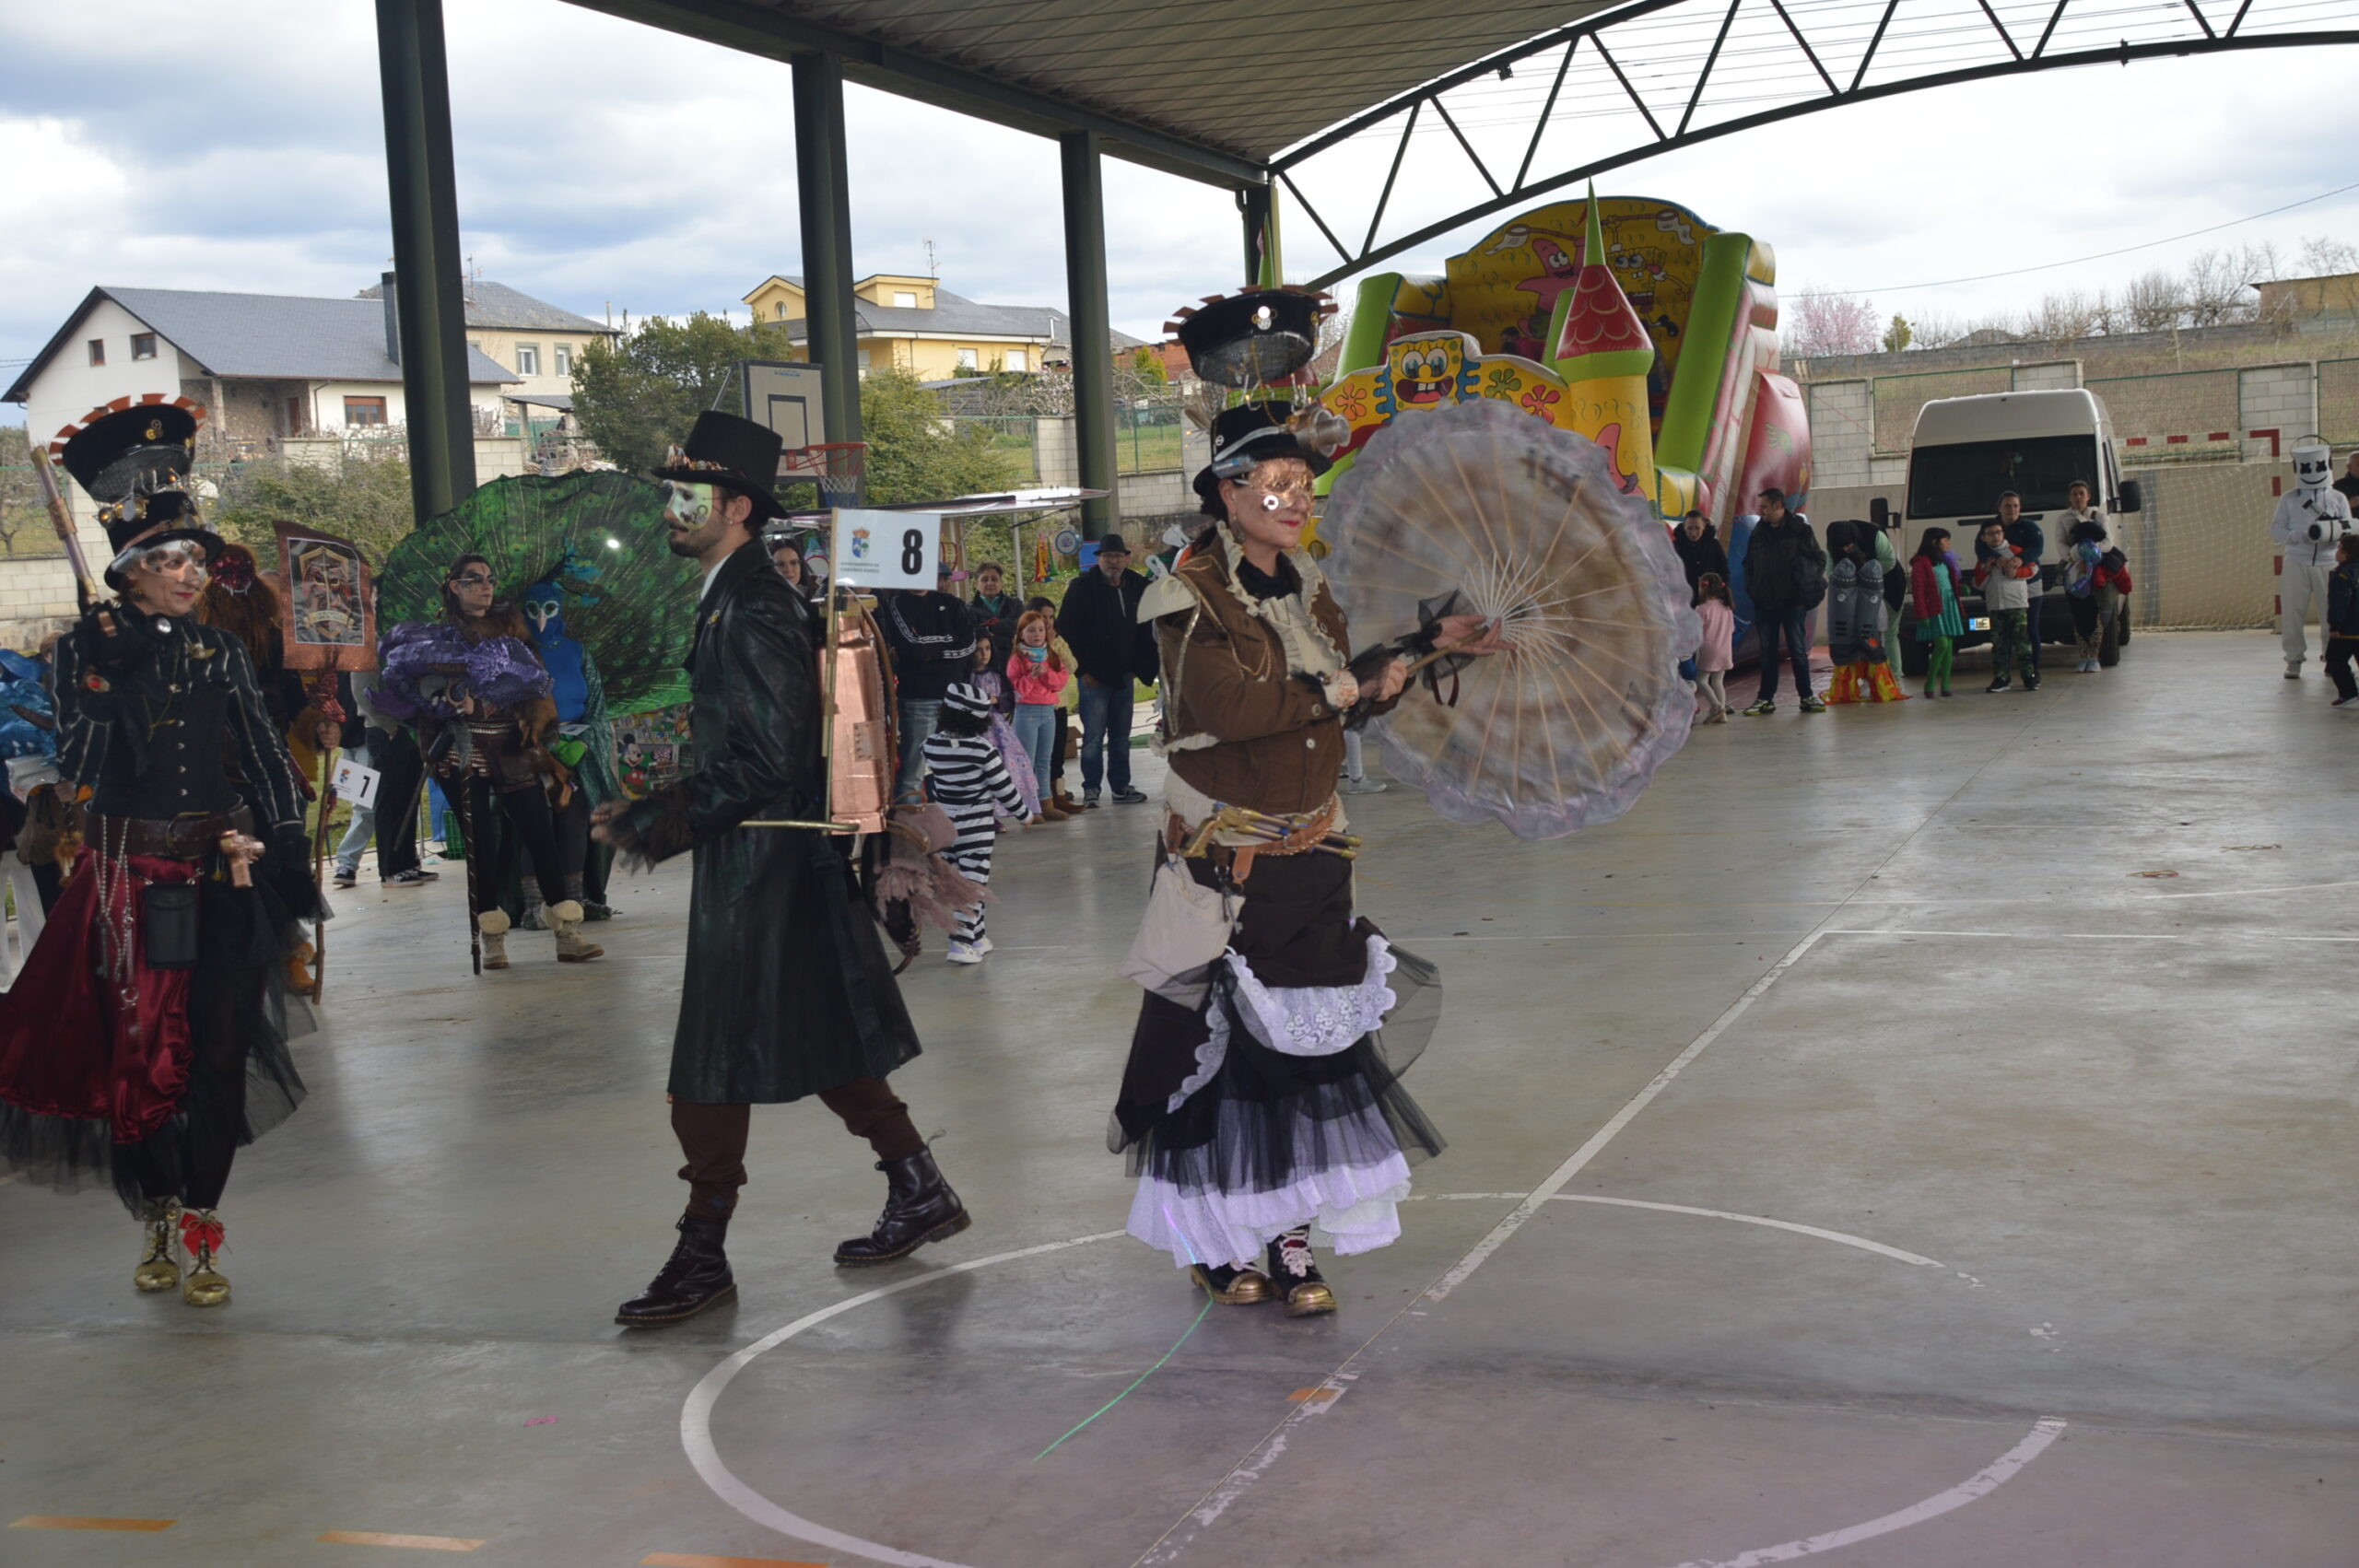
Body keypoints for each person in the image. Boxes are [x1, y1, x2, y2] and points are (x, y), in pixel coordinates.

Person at [1115, 401, 1496, 1316]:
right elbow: (1235, 709)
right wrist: (1346, 685)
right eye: (1276, 484)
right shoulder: (1186, 597)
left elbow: (1336, 696)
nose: (1295, 501)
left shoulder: (1307, 588)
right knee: (1215, 1071)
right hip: (1224, 868)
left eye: (1303, 486)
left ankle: (1288, 1242)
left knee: (1305, 1068)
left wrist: (1410, 655)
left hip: (1313, 862)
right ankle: (1215, 1244)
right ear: (1226, 491)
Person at [598, 412, 966, 1328]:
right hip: (771, 857)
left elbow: (763, 760)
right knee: (834, 1040)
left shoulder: (754, 602)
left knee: (710, 1063)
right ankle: (917, 1185)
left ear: (733, 505)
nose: (669, 507)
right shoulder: (737, 592)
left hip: (759, 864)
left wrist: (654, 820)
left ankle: (702, 1247)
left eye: (683, 492)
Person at [0, 399, 317, 1308]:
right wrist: (103, 685)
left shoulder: (220, 651)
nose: (191, 573)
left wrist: (285, 844)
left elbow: (260, 754)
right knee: (143, 1059)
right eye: (171, 561)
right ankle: (154, 1209)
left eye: (196, 559)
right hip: (126, 887)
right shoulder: (84, 654)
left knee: (218, 1054)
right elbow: (87, 774)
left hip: (222, 875)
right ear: (130, 572)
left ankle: (204, 1223)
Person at [380, 557, 602, 968]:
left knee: (540, 833)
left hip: (512, 746)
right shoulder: (432, 636)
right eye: (473, 580)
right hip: (460, 750)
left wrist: (493, 708)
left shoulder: (513, 628)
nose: (485, 587)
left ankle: (566, 931)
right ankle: (493, 935)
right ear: (453, 587)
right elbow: (416, 695)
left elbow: (535, 687)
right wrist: (442, 702)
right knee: (480, 844)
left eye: (489, 580)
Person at [520, 579, 619, 923]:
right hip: (529, 752)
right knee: (536, 822)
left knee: (576, 820)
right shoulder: (515, 653)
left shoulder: (578, 652)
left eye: (550, 610)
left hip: (575, 752)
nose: (542, 619)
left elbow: (596, 705)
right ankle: (534, 905)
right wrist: (542, 743)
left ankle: (574, 901)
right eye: (534, 610)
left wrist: (584, 742)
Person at [921, 683, 1029, 964]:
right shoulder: (983, 751)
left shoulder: (930, 745)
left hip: (944, 826)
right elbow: (1004, 789)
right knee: (972, 885)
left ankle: (977, 937)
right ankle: (960, 942)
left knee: (958, 882)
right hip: (976, 828)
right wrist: (1025, 814)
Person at [1056, 533, 1155, 805]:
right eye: (1107, 557)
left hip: (1124, 675)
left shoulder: (1137, 585)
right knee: (1093, 737)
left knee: (1121, 737)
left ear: (1126, 558)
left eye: (1117, 556)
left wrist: (1140, 667)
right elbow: (1067, 630)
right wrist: (1082, 671)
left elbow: (1149, 628)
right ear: (1098, 559)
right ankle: (1091, 790)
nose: (1112, 561)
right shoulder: (1082, 587)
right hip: (1094, 678)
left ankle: (1121, 787)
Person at [879, 563, 975, 802]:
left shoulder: (951, 603)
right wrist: (948, 640)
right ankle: (908, 833)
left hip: (954, 698)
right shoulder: (897, 604)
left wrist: (934, 650)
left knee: (955, 769)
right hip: (919, 699)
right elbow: (910, 646)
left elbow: (969, 643)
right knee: (914, 770)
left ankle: (953, 827)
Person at [2270, 441, 2353, 678]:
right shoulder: (2289, 499)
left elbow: (2348, 528)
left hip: (2329, 563)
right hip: (2297, 562)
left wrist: (2334, 538)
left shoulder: (2338, 497)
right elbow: (2276, 530)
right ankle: (2294, 659)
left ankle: (2332, 659)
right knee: (2293, 612)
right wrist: (2298, 537)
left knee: (2332, 613)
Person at [1740, 487, 1825, 716]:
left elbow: (1819, 559)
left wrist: (1803, 582)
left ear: (1778, 506)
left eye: (1765, 507)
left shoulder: (1799, 530)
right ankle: (1765, 699)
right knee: (1767, 652)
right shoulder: (1759, 531)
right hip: (1765, 603)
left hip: (1792, 602)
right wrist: (1753, 587)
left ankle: (1806, 696)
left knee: (1797, 650)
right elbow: (1749, 563)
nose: (1761, 512)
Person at [968, 626, 1045, 824]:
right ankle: (986, 816)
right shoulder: (966, 676)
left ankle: (1023, 808)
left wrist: (996, 700)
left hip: (998, 729)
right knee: (980, 771)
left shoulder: (997, 675)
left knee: (1010, 765)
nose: (984, 654)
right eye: (979, 649)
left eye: (987, 648)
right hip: (974, 728)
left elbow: (1009, 700)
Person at [1008, 609, 1069, 821]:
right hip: (1026, 713)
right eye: (1031, 630)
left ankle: (1046, 803)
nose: (1037, 634)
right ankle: (1029, 807)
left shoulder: (1050, 655)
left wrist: (1046, 675)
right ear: (1021, 634)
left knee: (1045, 761)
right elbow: (1014, 690)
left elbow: (1061, 681)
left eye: (1041, 630)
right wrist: (1032, 678)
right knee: (1027, 761)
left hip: (1048, 711)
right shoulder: (1017, 658)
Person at [1974, 519, 2039, 692]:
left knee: (2022, 643)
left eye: (1998, 532)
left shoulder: (2016, 552)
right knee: (1999, 645)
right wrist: (1986, 571)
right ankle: (2001, 677)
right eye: (1990, 534)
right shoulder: (1984, 558)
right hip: (1995, 606)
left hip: (2017, 603)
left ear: (2003, 534)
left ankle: (2029, 676)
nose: (1995, 537)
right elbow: (1977, 583)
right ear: (1983, 538)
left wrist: (2016, 572)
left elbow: (2034, 570)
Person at [1909, 528, 1966, 698]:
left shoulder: (1946, 561)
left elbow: (1951, 583)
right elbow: (1918, 591)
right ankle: (1930, 681)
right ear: (1934, 542)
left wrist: (1960, 589)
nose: (1948, 544)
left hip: (1949, 604)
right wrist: (1923, 614)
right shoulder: (1921, 563)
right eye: (1945, 540)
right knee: (1941, 644)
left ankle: (1946, 683)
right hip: (1934, 607)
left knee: (1948, 645)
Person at [1996, 492, 2048, 675]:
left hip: (2031, 585)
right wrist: (1994, 560)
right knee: (2004, 632)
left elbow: (2037, 549)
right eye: (2008, 506)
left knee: (2030, 628)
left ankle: (2033, 672)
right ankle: (2003, 676)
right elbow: (1981, 548)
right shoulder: (1992, 528)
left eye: (2016, 506)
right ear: (1999, 508)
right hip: (2003, 589)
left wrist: (2020, 559)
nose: (2012, 510)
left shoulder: (2030, 527)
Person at [2059, 492, 2111, 674]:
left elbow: (2108, 543)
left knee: (2095, 616)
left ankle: (2094, 657)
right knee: (2078, 616)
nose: (2078, 497)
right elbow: (2061, 544)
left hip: (2097, 575)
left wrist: (2091, 558)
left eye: (2082, 493)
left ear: (2088, 496)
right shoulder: (2063, 519)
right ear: (2069, 497)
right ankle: (2083, 657)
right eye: (2074, 494)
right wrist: (2076, 557)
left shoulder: (2099, 516)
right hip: (2073, 573)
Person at [1694, 571, 1734, 722]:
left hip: (1709, 649)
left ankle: (1717, 706)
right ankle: (1721, 715)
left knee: (1702, 681)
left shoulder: (1701, 609)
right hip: (1725, 648)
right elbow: (1732, 629)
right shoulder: (1727, 608)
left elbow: (1696, 631)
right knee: (1718, 681)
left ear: (1703, 587)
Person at [2326, 535, 2359, 708]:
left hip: (2347, 630)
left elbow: (2339, 602)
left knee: (2334, 659)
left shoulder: (2342, 575)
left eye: (2339, 549)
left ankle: (2349, 693)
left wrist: (2335, 624)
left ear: (2346, 554)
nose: (2337, 552)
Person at [1672, 509, 1728, 603]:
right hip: (1682, 598)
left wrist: (1725, 596)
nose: (1693, 533)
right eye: (1689, 528)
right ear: (1684, 527)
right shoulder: (1675, 546)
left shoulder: (1714, 545)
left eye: (1697, 528)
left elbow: (1724, 572)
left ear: (1704, 527)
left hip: (1707, 598)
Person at [967, 560, 1023, 649]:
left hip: (1012, 658)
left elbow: (1021, 629)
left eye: (994, 579)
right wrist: (1006, 630)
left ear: (1001, 583)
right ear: (976, 584)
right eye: (985, 580)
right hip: (984, 660)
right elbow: (973, 636)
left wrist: (989, 627)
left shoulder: (1015, 604)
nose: (990, 583)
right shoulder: (968, 609)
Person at [769, 534, 820, 602]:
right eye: (780, 564)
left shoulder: (816, 595)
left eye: (794, 563)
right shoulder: (761, 602)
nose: (788, 570)